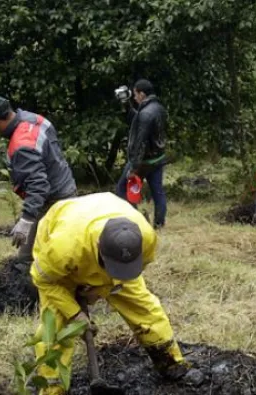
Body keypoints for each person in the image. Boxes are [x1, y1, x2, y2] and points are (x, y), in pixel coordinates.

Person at [29, 193, 197, 394]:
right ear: (99, 247)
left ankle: (170, 362)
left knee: (143, 307)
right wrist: (76, 314)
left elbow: (133, 272)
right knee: (54, 327)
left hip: (101, 225)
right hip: (62, 256)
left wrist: (100, 290)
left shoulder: (146, 238)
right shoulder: (62, 248)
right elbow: (42, 279)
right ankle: (52, 388)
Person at [0, 95, 77, 263]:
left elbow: (38, 185)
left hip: (52, 201)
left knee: (28, 258)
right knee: (60, 251)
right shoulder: (35, 119)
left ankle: (40, 286)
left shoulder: (21, 145)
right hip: (66, 187)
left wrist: (27, 220)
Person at [115, 79, 169, 229]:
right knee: (157, 191)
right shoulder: (158, 108)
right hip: (157, 158)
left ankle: (137, 222)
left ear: (142, 94)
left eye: (135, 94)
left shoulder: (145, 113)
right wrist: (126, 105)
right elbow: (137, 120)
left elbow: (140, 141)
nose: (134, 97)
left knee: (122, 189)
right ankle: (159, 225)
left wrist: (133, 167)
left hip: (144, 161)